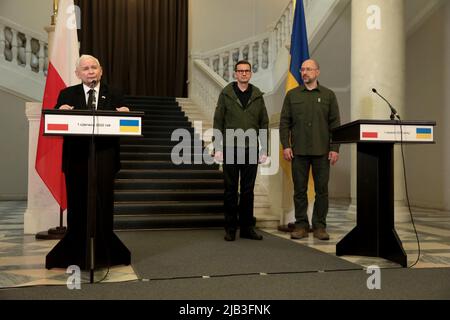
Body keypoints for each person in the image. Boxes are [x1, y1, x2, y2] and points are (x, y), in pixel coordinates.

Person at [46, 55, 131, 270]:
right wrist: (60, 112)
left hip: (105, 159)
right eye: (85, 68)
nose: (90, 71)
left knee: (103, 206)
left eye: (94, 67)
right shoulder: (67, 94)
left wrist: (125, 114)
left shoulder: (114, 93)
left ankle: (104, 253)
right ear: (78, 73)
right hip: (76, 159)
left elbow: (128, 122)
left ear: (101, 71)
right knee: (78, 205)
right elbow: (56, 122)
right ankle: (75, 252)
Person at [279, 59, 341, 241]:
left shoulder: (328, 95)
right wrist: (286, 145)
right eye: (302, 69)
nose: (304, 72)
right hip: (299, 151)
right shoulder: (292, 95)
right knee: (299, 190)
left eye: (309, 69)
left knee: (322, 191)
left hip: (322, 152)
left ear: (317, 72)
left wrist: (335, 148)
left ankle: (320, 226)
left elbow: (335, 125)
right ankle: (301, 225)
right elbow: (284, 124)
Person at [213, 60, 269, 241]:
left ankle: (247, 228)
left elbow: (264, 124)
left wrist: (264, 149)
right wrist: (218, 147)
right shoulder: (226, 94)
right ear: (235, 74)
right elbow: (218, 122)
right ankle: (230, 228)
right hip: (230, 147)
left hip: (251, 149)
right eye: (240, 71)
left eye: (247, 71)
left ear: (250, 73)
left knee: (248, 191)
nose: (244, 74)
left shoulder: (258, 96)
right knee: (230, 190)